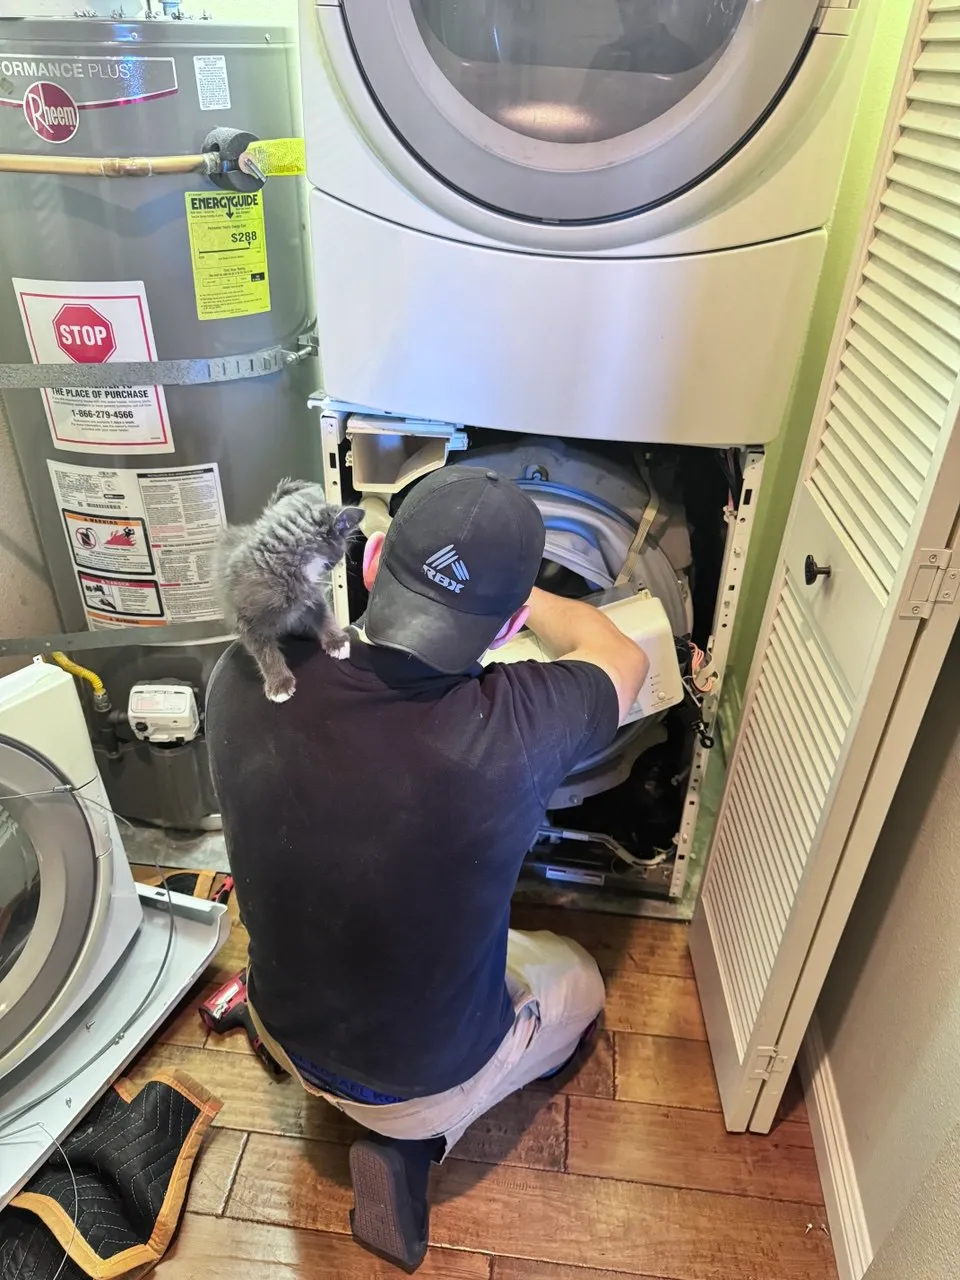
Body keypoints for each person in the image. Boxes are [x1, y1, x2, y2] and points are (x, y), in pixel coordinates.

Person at [206, 466, 649, 1272]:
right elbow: (619, 654)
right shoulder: (518, 726)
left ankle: (269, 1034)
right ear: (510, 621)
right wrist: (521, 601)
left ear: (371, 563)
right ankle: (407, 1147)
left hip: (283, 1010)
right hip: (415, 1088)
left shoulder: (241, 675)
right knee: (577, 978)